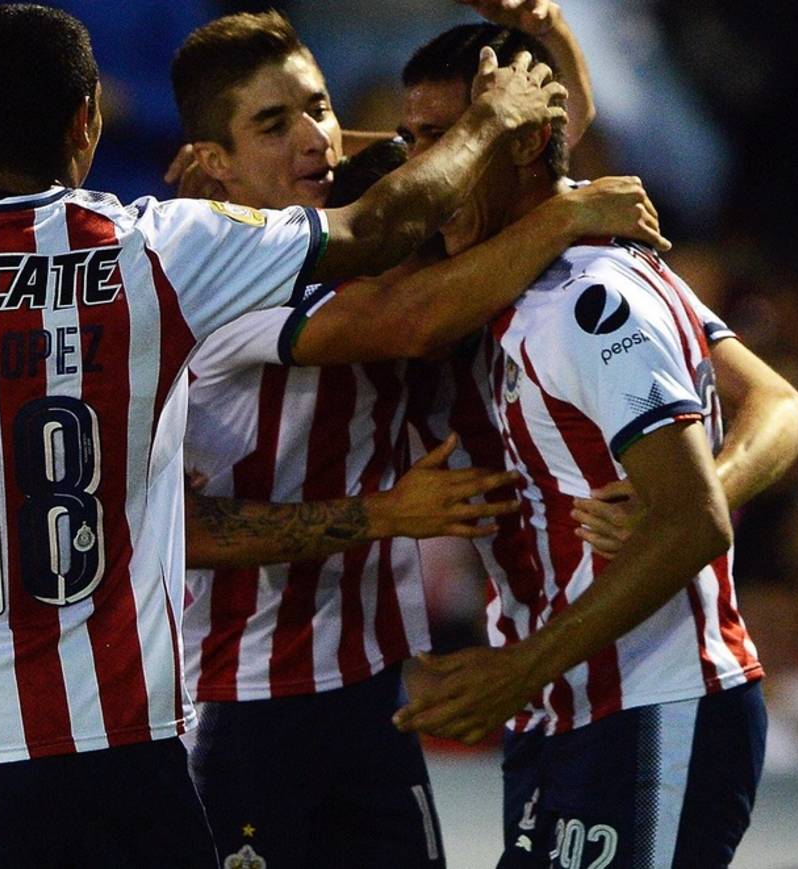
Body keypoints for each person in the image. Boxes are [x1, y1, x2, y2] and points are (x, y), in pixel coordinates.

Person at [0, 4, 573, 865]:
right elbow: (376, 231)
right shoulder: (158, 248)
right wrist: (494, 123)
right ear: (87, 121)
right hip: (126, 746)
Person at [167, 7, 667, 867]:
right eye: (274, 125)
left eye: (319, 107)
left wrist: (548, 30)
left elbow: (538, 147)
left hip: (369, 688)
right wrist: (563, 217)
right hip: (240, 695)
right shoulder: (217, 262)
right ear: (214, 162)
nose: (314, 138)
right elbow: (406, 320)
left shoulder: (368, 219)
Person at [384, 23, 798, 867]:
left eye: (447, 138)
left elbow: (696, 519)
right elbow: (776, 408)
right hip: (563, 707)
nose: (424, 169)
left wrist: (517, 669)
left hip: (651, 702)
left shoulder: (589, 302)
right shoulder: (552, 263)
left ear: (527, 143)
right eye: (416, 140)